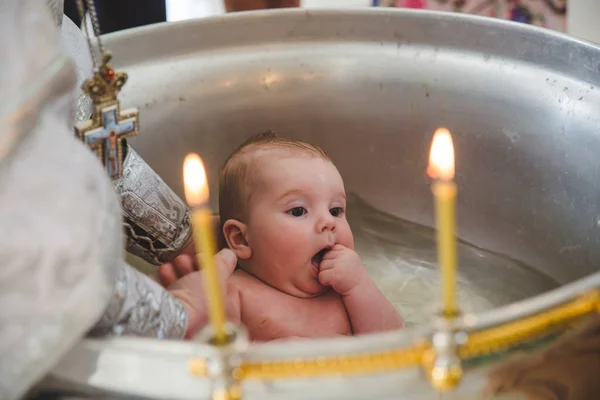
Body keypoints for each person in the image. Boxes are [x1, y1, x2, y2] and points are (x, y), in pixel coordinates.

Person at [160, 132, 404, 341]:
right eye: (298, 211)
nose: (328, 222)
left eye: (336, 210)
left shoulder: (346, 289)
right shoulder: (235, 293)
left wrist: (360, 285)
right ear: (241, 239)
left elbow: (394, 341)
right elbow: (215, 354)